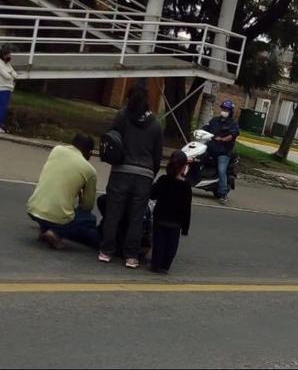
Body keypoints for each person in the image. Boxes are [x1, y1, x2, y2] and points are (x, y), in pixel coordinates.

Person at [98, 82, 163, 269]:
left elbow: (111, 138)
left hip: (121, 171)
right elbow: (157, 155)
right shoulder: (156, 125)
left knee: (113, 213)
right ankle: (131, 256)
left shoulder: (122, 116)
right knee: (136, 217)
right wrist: (152, 173)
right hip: (144, 175)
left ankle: (106, 251)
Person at [26, 133, 99, 250]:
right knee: (89, 219)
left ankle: (44, 228)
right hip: (58, 217)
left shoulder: (56, 150)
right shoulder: (89, 170)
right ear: (89, 152)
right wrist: (81, 198)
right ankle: (56, 233)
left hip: (33, 209)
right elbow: (88, 206)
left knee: (53, 206)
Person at [150, 150, 193, 274]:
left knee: (159, 242)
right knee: (171, 244)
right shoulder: (186, 186)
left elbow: (153, 195)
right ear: (184, 167)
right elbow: (186, 209)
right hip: (176, 221)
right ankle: (165, 265)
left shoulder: (163, 179)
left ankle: (155, 264)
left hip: (160, 217)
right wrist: (185, 228)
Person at [204, 99, 240, 204]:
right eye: (223, 109)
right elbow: (206, 128)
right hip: (211, 148)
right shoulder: (214, 121)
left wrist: (222, 139)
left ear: (230, 112)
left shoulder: (233, 124)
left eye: (226, 109)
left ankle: (223, 194)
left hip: (223, 152)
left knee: (221, 170)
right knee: (196, 159)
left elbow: (233, 135)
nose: (224, 111)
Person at [0, 45, 18, 133]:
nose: (10, 57)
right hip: (0, 88)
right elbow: (6, 76)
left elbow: (14, 73)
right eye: (8, 55)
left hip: (8, 88)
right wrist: (11, 75)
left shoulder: (7, 64)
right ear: (3, 55)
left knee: (4, 108)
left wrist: (11, 74)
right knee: (0, 107)